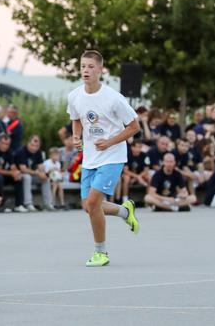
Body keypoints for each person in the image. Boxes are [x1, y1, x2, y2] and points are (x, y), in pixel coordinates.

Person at [67, 50, 140, 267]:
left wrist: (110, 142)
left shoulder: (114, 99)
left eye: (90, 66)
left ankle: (101, 252)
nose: (85, 70)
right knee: (88, 206)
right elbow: (76, 119)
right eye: (82, 66)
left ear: (100, 70)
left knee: (93, 202)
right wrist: (76, 136)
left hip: (112, 156)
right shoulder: (74, 96)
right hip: (90, 158)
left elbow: (134, 126)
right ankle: (125, 211)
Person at [14, 135, 53, 211]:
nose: (34, 148)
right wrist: (37, 173)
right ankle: (28, 203)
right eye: (32, 145)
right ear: (28, 143)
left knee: (45, 178)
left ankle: (47, 204)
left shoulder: (38, 152)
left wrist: (43, 173)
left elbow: (40, 166)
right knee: (27, 177)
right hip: (20, 175)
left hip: (33, 174)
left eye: (36, 146)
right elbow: (23, 169)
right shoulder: (21, 151)